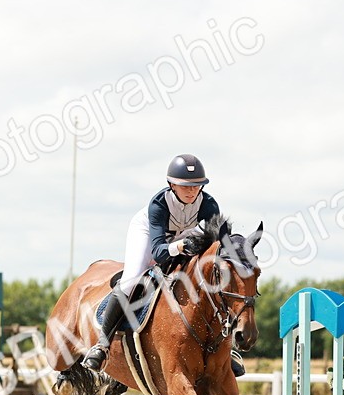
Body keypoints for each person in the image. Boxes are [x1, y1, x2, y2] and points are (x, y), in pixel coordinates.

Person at [80, 154, 245, 376]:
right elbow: (158, 252)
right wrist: (181, 246)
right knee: (130, 281)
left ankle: (228, 349)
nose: (192, 191)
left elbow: (220, 243)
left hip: (183, 234)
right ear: (171, 185)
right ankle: (102, 345)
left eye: (197, 186)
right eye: (185, 186)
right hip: (150, 234)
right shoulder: (158, 205)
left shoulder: (208, 204)